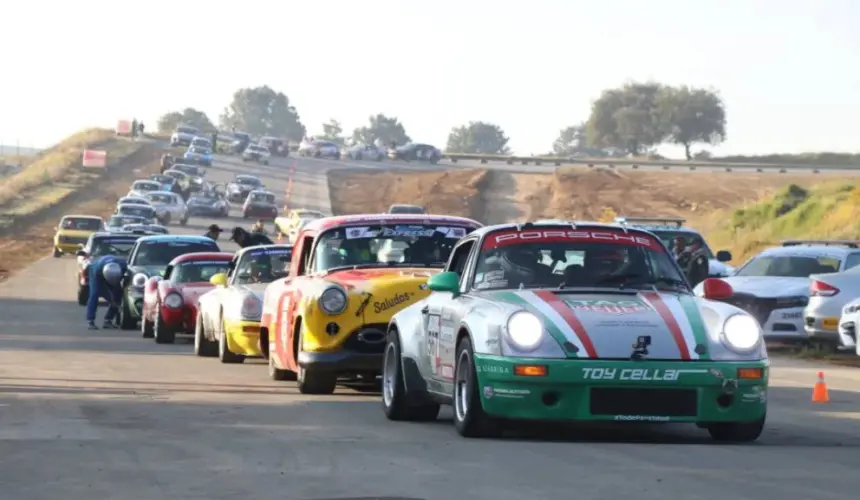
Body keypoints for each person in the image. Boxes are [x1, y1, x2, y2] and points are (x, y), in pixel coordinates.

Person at [86, 255, 127, 329]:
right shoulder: (96, 270)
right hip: (97, 273)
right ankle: (90, 320)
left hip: (116, 275)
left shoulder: (124, 266)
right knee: (94, 294)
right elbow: (95, 293)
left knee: (118, 295)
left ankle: (108, 320)